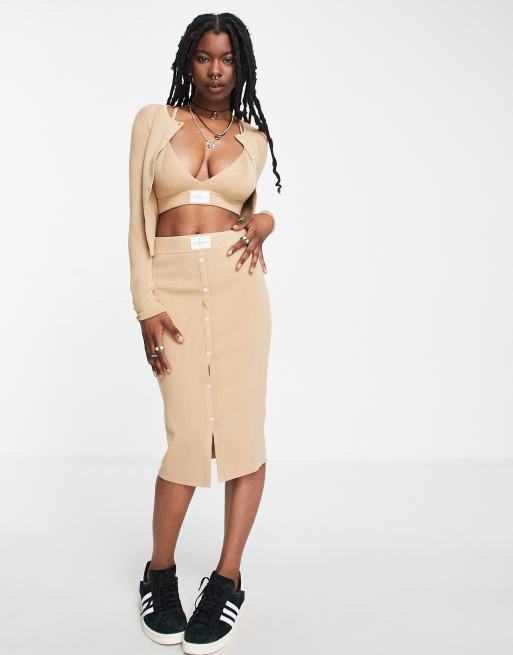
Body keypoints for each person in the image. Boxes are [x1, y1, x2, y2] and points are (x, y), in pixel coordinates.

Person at [128, 12, 281, 654]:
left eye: (227, 59)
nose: (215, 70)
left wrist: (266, 224)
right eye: (204, 57)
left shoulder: (254, 138)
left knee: (243, 434)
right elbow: (137, 217)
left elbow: (251, 213)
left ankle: (227, 577)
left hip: (238, 288)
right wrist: (146, 306)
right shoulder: (154, 122)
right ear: (188, 61)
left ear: (240, 66)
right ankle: (159, 571)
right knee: (188, 434)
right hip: (173, 289)